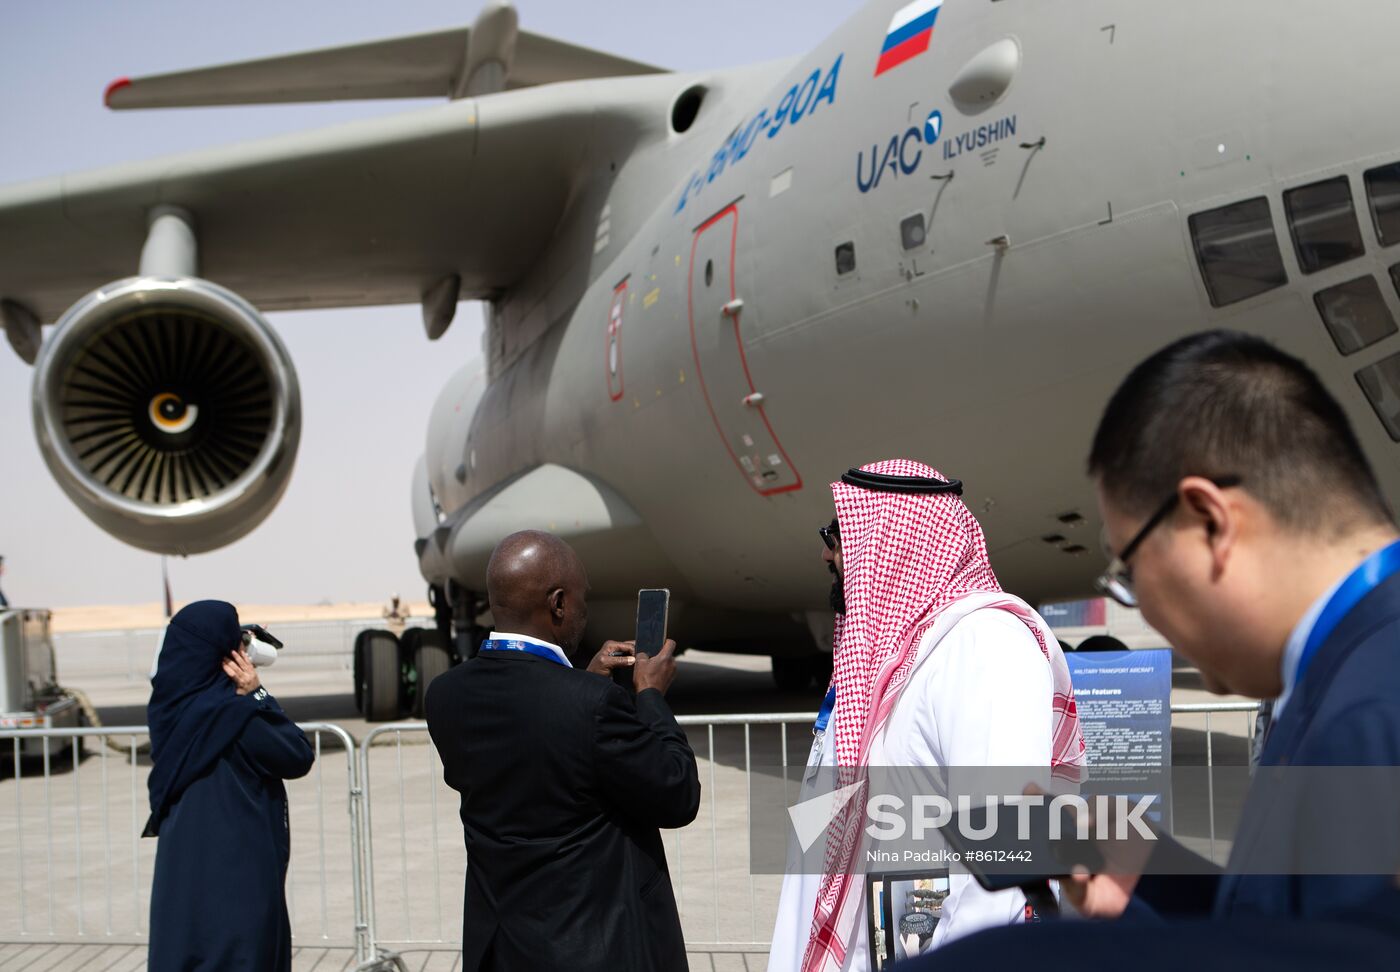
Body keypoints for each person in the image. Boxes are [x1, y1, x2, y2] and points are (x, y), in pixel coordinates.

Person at [1074, 329, 1400, 920]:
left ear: (1210, 522)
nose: (1137, 605)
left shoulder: (1367, 722)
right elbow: (1305, 936)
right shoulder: (1351, 670)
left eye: (1130, 568)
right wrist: (1154, 878)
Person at [768, 460, 1085, 971]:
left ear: (892, 539)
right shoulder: (889, 660)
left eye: (837, 533)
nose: (827, 552)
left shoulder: (985, 646)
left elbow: (1003, 862)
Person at [424, 530, 701, 972]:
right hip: (595, 948)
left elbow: (534, 744)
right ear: (557, 604)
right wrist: (650, 696)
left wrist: (583, 679)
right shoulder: (591, 705)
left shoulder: (444, 695)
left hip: (503, 948)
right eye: (580, 599)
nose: (583, 611)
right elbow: (677, 794)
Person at [145, 600, 315, 972]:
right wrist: (258, 694)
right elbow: (298, 756)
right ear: (225, 654)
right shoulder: (236, 718)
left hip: (184, 873)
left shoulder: (168, 710)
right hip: (238, 873)